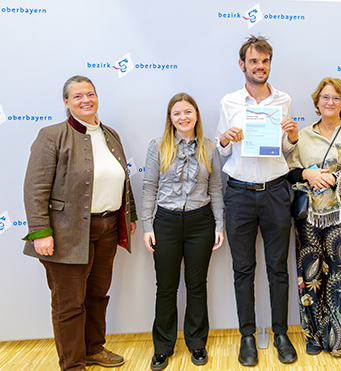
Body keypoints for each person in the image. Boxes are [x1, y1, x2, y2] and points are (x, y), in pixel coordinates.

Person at [22, 75, 137, 371]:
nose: (85, 100)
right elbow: (35, 188)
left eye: (90, 94)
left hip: (108, 229)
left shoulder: (110, 134)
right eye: (77, 96)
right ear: (66, 102)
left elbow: (122, 179)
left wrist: (129, 216)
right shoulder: (52, 136)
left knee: (97, 295)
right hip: (66, 234)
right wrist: (41, 232)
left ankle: (93, 349)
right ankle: (73, 364)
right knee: (69, 304)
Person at [215, 35, 299, 366]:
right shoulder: (229, 103)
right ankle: (247, 337)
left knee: (278, 268)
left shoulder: (284, 100)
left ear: (269, 64)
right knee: (242, 269)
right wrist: (224, 138)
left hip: (276, 192)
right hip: (238, 193)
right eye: (253, 61)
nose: (259, 66)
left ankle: (280, 333)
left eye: (264, 61)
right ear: (242, 65)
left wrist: (292, 137)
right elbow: (221, 151)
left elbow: (288, 150)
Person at [287, 77, 341, 358]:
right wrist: (306, 174)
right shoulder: (303, 135)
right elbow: (289, 171)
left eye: (335, 98)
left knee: (340, 279)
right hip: (307, 219)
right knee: (309, 277)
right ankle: (312, 335)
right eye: (324, 97)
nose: (329, 102)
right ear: (316, 102)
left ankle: (338, 339)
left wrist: (336, 178)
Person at [142, 93, 224, 369]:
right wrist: (146, 226)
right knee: (166, 288)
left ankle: (197, 343)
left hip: (201, 223)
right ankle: (163, 346)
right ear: (170, 118)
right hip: (165, 222)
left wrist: (219, 225)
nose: (183, 118)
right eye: (177, 113)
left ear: (196, 115)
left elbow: (215, 189)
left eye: (188, 112)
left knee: (197, 286)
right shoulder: (158, 146)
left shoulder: (208, 147)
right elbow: (149, 187)